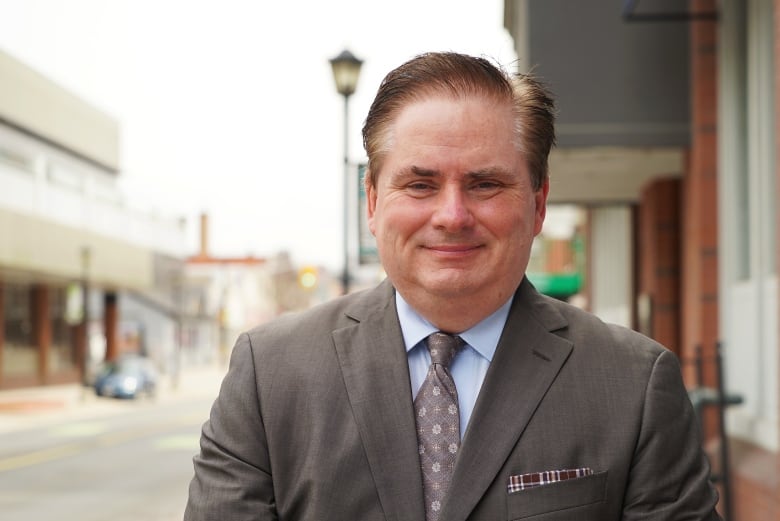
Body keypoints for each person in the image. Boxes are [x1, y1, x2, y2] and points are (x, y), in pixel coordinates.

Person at [184, 52, 721, 520]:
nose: (453, 215)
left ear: (537, 205)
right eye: (420, 184)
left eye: (486, 184)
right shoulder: (270, 374)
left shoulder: (634, 384)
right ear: (372, 203)